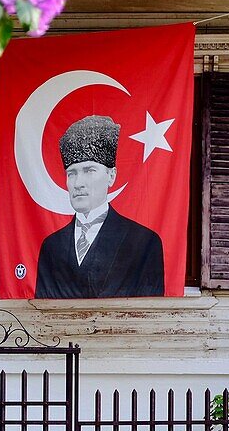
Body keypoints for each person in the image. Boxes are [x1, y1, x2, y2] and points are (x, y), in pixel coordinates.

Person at [35, 115, 165, 299]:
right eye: (71, 173)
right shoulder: (51, 246)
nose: (78, 183)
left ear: (111, 176)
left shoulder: (144, 242)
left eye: (89, 171)